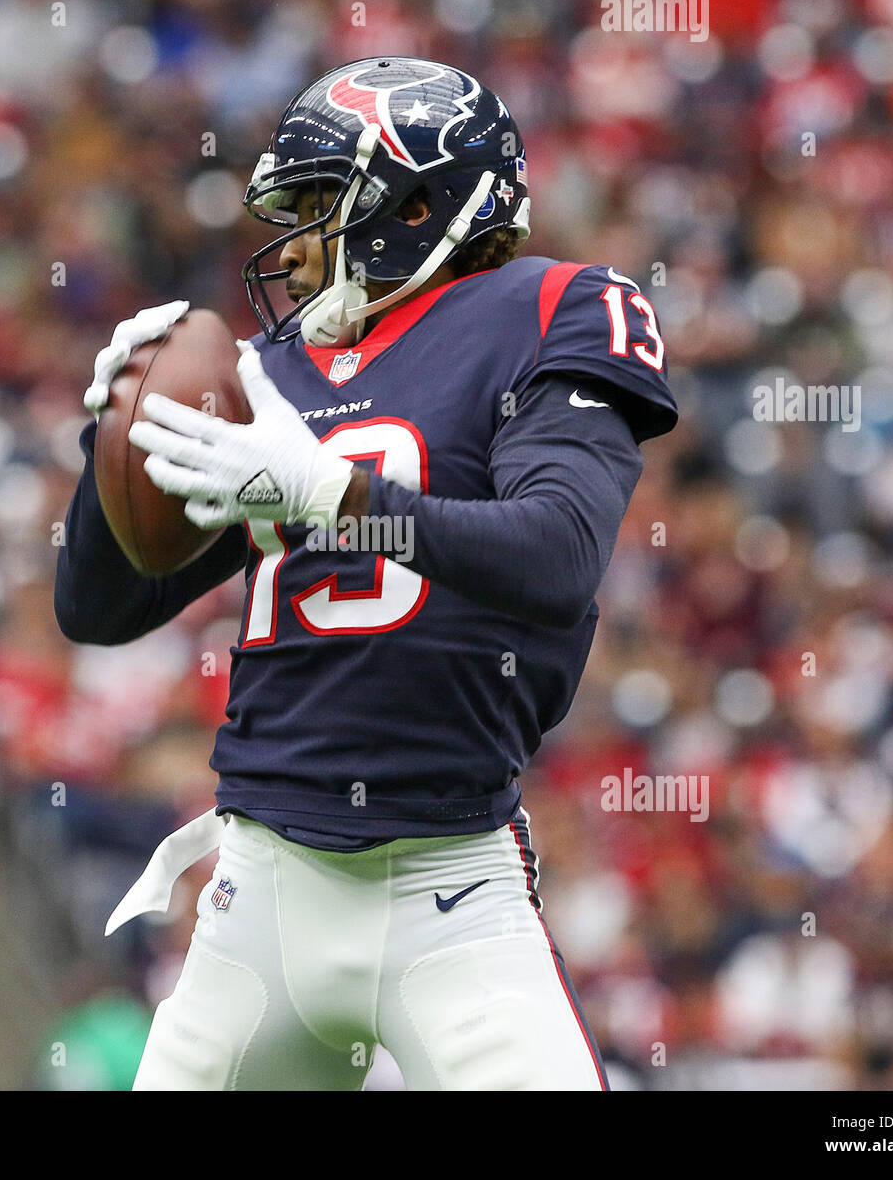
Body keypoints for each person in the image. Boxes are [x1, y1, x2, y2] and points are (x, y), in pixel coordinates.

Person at [55, 56, 677, 1090]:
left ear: (417, 203)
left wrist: (334, 497)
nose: (292, 251)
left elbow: (556, 554)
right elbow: (97, 607)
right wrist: (111, 439)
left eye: (316, 207)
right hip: (262, 888)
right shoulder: (277, 374)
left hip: (451, 886)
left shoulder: (552, 308)